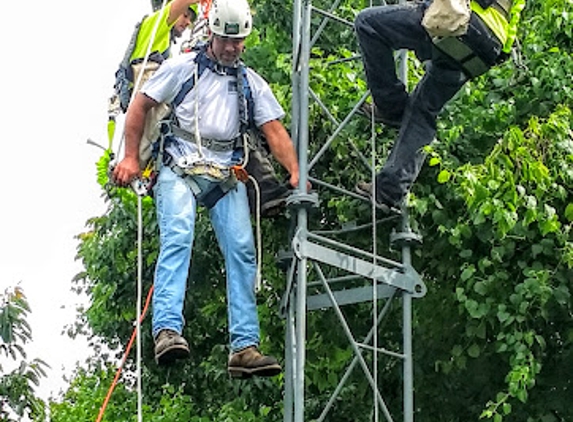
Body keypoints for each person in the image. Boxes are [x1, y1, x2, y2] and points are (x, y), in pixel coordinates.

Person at [112, 0, 300, 378]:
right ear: (211, 32)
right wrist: (131, 157)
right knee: (179, 237)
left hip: (224, 171)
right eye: (226, 40)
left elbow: (273, 130)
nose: (231, 48)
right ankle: (167, 330)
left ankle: (244, 348)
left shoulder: (249, 82)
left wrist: (295, 172)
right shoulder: (182, 68)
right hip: (178, 165)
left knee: (243, 252)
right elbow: (139, 107)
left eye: (238, 42)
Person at [110, 0, 290, 217]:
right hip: (152, 111)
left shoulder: (165, 46)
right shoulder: (154, 26)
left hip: (158, 111)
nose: (187, 22)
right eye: (186, 16)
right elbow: (178, 4)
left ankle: (262, 190)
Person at [354, 0, 525, 211]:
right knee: (423, 110)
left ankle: (391, 107)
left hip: (459, 21)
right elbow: (513, 16)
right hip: (487, 48)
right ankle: (388, 192)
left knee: (368, 24)